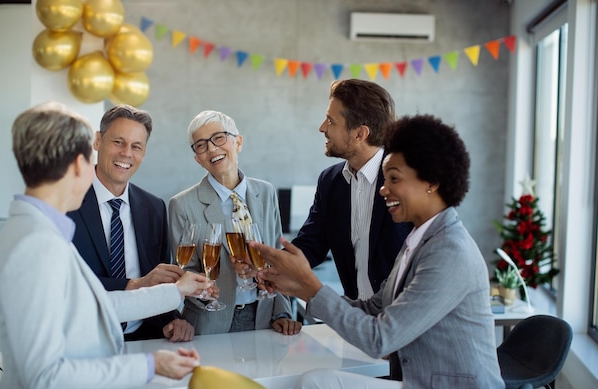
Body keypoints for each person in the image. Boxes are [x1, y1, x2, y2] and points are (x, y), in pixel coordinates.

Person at [251, 114, 506, 389]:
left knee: (313, 388)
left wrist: (311, 286)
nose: (383, 189)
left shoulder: (449, 251)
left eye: (394, 179)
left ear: (432, 183)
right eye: (385, 179)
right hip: (426, 387)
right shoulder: (421, 238)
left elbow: (380, 338)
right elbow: (374, 308)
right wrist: (300, 288)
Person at [0, 102, 211, 389]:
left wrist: (177, 291)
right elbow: (43, 376)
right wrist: (149, 366)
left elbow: (91, 307)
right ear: (80, 162)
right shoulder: (37, 245)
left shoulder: (38, 231)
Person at [68, 104, 195, 343]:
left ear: (143, 153)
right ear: (97, 141)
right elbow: (66, 283)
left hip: (144, 340)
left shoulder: (154, 208)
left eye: (136, 146)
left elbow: (159, 279)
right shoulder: (65, 203)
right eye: (118, 142)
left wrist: (171, 319)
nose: (126, 153)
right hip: (83, 339)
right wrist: (133, 285)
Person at [168, 110, 300, 335]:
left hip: (265, 319)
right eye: (201, 145)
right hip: (209, 323)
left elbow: (278, 257)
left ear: (238, 142)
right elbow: (183, 272)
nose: (211, 149)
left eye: (219, 138)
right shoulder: (181, 205)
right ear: (197, 158)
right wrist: (209, 289)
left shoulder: (266, 192)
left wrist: (282, 313)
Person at [291, 79, 411, 300]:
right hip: (358, 321)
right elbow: (311, 245)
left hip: (405, 320)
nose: (322, 128)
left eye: (330, 121)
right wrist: (269, 266)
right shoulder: (330, 181)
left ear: (359, 134)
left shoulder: (407, 179)